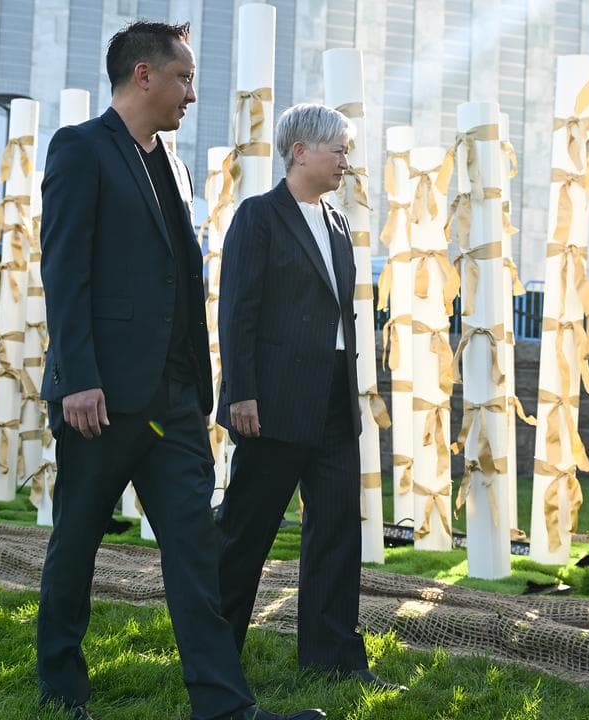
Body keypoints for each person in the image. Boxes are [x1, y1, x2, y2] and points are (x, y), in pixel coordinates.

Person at [37, 21, 325, 720]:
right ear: (143, 75)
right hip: (100, 396)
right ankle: (62, 690)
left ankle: (225, 707)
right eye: (184, 78)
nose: (192, 94)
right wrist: (79, 377)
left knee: (197, 553)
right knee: (77, 540)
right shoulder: (79, 150)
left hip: (172, 400)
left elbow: (181, 279)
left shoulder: (173, 163)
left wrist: (201, 390)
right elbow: (64, 270)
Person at [215, 103, 406, 693]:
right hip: (270, 405)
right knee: (246, 533)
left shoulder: (338, 221)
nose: (346, 162)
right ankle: (215, 657)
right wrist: (240, 394)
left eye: (347, 151)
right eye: (339, 151)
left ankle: (334, 659)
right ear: (300, 151)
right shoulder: (258, 217)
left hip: (332, 402)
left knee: (336, 533)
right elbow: (237, 311)